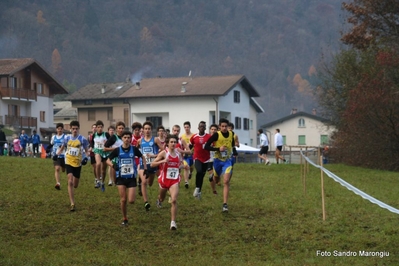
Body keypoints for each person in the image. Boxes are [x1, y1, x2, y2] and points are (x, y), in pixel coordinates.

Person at [106, 130, 146, 226]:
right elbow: (107, 160)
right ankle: (125, 218)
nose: (127, 139)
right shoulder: (117, 150)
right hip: (121, 177)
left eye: (128, 137)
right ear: (122, 138)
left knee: (131, 201)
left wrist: (145, 168)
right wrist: (113, 166)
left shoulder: (134, 149)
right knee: (123, 199)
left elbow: (142, 157)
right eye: (125, 137)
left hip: (131, 177)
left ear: (131, 139)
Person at [151, 134, 183, 230]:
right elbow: (152, 164)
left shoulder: (178, 154)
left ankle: (173, 222)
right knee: (161, 198)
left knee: (173, 200)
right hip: (164, 181)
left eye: (174, 142)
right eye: (171, 142)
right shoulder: (164, 153)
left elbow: (179, 165)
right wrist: (163, 161)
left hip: (174, 181)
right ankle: (159, 200)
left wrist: (183, 166)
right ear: (167, 144)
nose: (173, 144)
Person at [205, 118, 236, 212]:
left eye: (226, 126)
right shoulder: (216, 135)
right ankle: (213, 176)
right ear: (219, 127)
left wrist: (234, 153)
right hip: (217, 161)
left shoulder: (232, 134)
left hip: (227, 161)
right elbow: (206, 146)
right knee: (216, 179)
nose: (224, 128)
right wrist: (218, 149)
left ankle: (225, 204)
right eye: (222, 126)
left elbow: (233, 145)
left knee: (226, 181)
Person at [58, 120, 89, 211]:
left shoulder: (82, 139)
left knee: (75, 185)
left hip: (78, 163)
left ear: (78, 129)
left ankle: (73, 198)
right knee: (70, 181)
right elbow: (62, 148)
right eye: (73, 128)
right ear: (70, 129)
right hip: (68, 161)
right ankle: (72, 203)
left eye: (76, 128)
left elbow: (87, 151)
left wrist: (86, 158)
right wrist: (57, 154)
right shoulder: (67, 138)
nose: (75, 130)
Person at [137, 121, 163, 211]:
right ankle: (146, 202)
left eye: (149, 129)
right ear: (143, 130)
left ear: (151, 130)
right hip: (143, 164)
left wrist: (154, 156)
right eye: (145, 129)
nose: (147, 130)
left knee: (150, 183)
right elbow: (136, 150)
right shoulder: (140, 141)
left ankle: (139, 182)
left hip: (152, 164)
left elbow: (163, 151)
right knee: (144, 182)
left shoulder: (155, 140)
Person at [190, 121, 211, 199]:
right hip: (197, 157)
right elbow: (190, 145)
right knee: (199, 171)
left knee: (202, 175)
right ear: (198, 128)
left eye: (203, 126)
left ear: (205, 128)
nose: (202, 128)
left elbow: (213, 145)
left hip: (206, 158)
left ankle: (199, 192)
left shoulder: (209, 137)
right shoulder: (194, 136)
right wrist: (187, 151)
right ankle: (197, 188)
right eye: (200, 126)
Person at [90, 120, 111, 191]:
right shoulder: (94, 135)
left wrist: (107, 144)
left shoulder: (106, 134)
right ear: (96, 128)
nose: (100, 128)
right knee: (98, 164)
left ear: (103, 127)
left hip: (105, 152)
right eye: (98, 127)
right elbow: (92, 142)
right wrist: (92, 148)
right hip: (97, 151)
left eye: (101, 127)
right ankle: (98, 181)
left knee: (103, 170)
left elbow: (110, 141)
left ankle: (102, 183)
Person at [51, 123, 66, 190]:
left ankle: (63, 167)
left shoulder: (65, 137)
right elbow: (52, 144)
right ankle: (58, 183)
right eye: (58, 129)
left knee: (63, 169)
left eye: (61, 129)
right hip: (56, 156)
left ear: (63, 129)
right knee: (57, 169)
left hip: (64, 156)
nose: (59, 130)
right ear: (56, 129)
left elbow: (67, 145)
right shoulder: (53, 137)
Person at [180, 121, 194, 188]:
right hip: (185, 155)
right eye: (185, 127)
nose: (186, 128)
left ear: (190, 127)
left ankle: (191, 173)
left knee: (191, 167)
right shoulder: (182, 136)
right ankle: (186, 182)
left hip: (192, 154)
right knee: (186, 167)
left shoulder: (193, 135)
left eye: (187, 127)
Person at [131, 122, 143, 194]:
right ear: (133, 130)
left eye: (138, 130)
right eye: (136, 130)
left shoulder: (142, 138)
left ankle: (139, 184)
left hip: (140, 158)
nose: (137, 131)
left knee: (139, 173)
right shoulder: (131, 138)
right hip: (133, 158)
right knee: (133, 173)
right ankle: (134, 185)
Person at [207, 124, 219, 195]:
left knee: (216, 177)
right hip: (209, 160)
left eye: (215, 129)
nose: (213, 131)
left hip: (217, 159)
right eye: (212, 129)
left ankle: (217, 181)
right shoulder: (208, 138)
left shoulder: (219, 138)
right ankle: (214, 190)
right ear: (210, 130)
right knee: (211, 176)